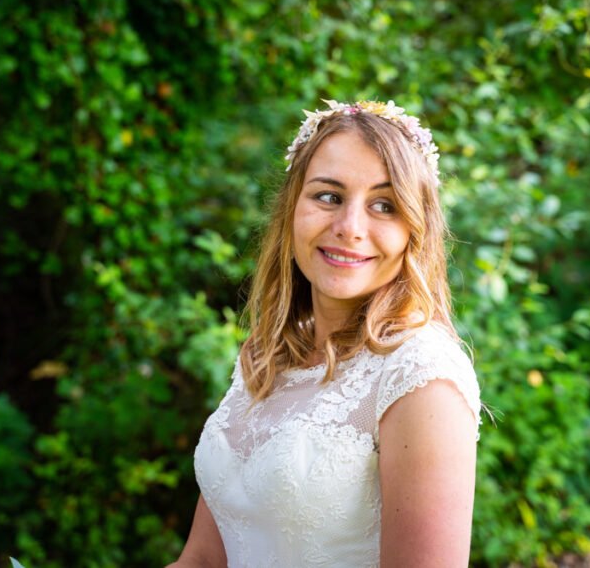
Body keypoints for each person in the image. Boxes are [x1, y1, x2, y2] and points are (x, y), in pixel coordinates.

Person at [168, 99, 481, 568]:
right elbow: (204, 559)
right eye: (329, 197)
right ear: (292, 208)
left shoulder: (422, 378)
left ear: (415, 230)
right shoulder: (266, 354)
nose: (349, 228)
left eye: (384, 205)